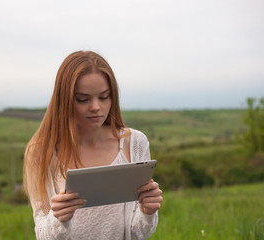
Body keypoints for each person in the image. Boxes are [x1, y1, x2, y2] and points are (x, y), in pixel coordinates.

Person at [23, 50, 163, 240]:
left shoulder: (135, 143)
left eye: (104, 97)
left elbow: (136, 234)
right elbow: (42, 234)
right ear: (64, 100)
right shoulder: (41, 152)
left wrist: (147, 212)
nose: (96, 107)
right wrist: (59, 219)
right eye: (83, 99)